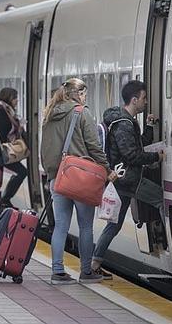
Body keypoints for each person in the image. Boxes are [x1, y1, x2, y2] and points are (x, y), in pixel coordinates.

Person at [41, 78, 118, 285]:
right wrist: (108, 170)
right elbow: (94, 147)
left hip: (59, 178)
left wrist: (52, 174)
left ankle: (57, 272)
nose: (85, 98)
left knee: (60, 227)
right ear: (79, 94)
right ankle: (86, 272)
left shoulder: (49, 114)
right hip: (81, 178)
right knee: (85, 227)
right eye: (84, 94)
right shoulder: (81, 112)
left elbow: (44, 149)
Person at [91, 80, 164, 279]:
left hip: (122, 180)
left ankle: (94, 263)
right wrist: (156, 157)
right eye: (144, 98)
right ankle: (171, 244)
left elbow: (138, 145)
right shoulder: (124, 124)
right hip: (130, 179)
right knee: (161, 200)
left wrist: (149, 127)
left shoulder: (128, 121)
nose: (146, 102)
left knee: (114, 225)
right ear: (134, 100)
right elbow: (132, 155)